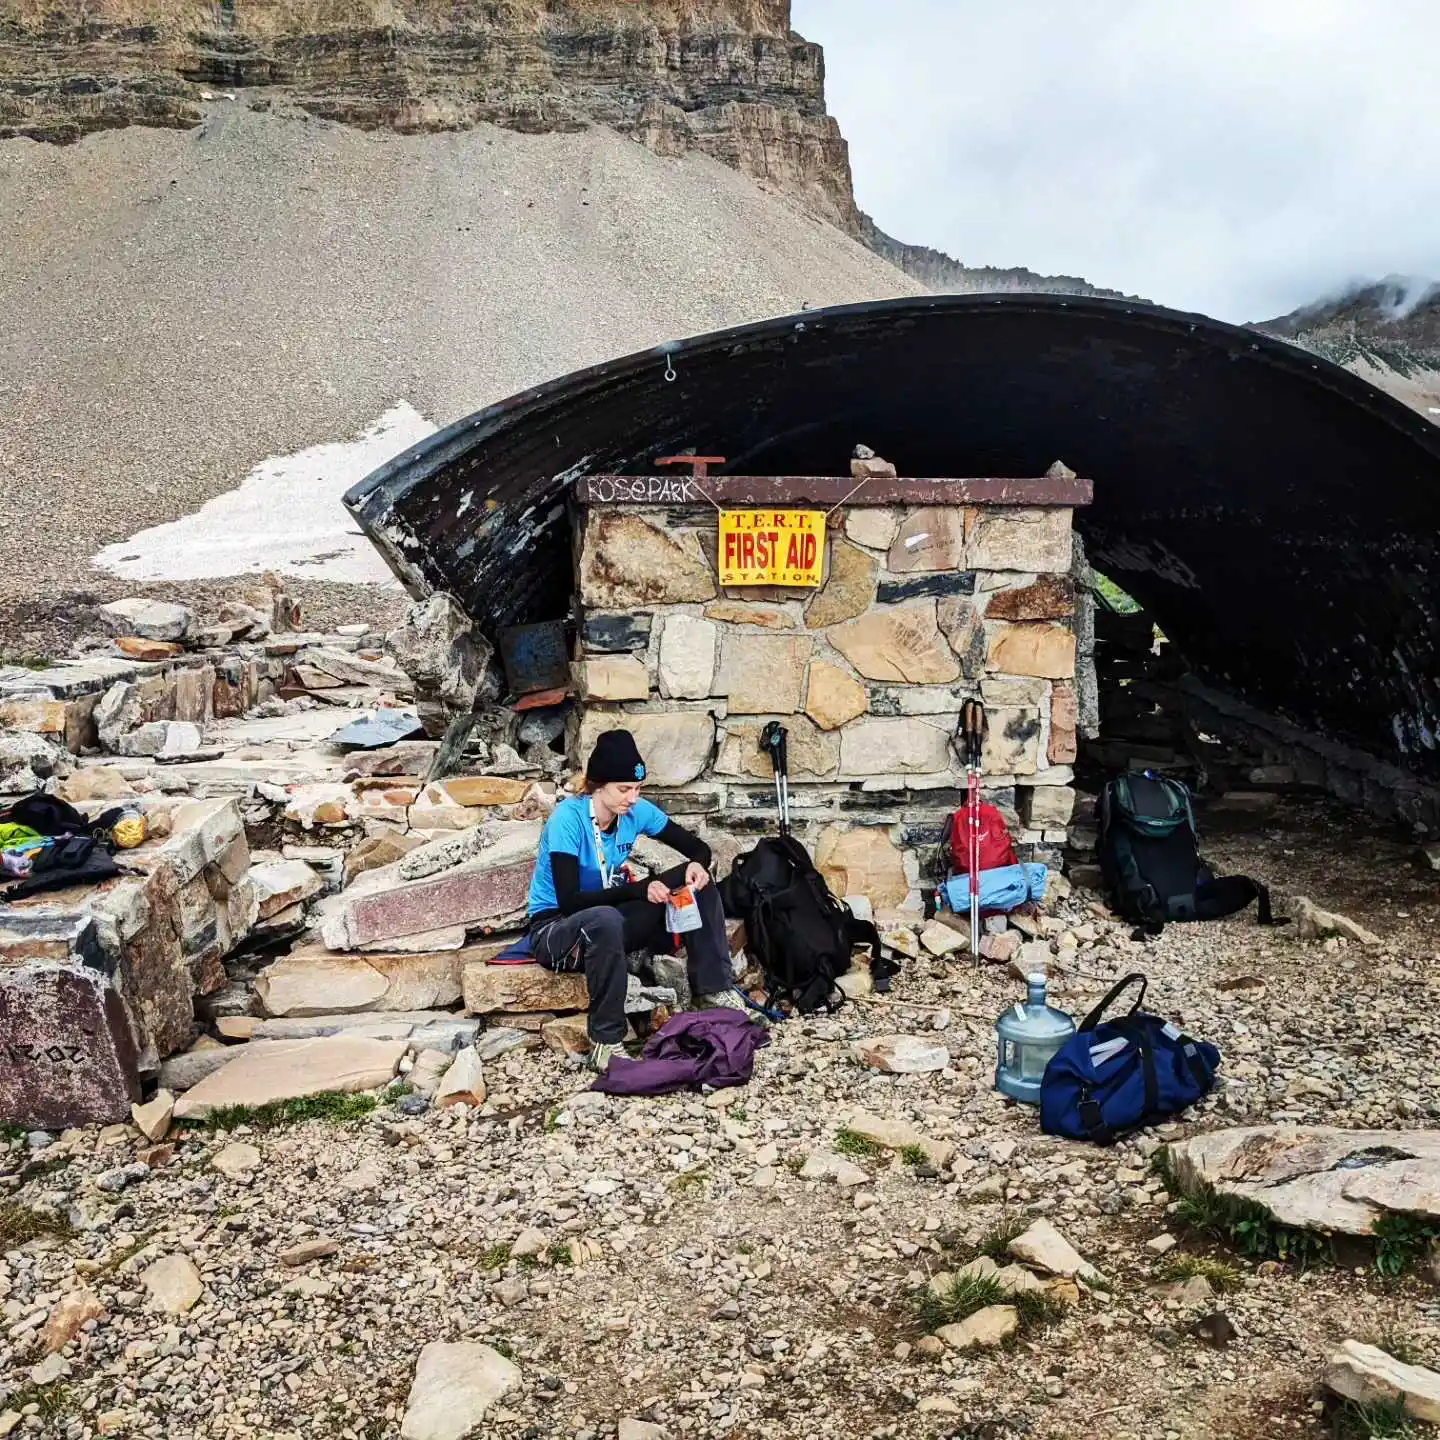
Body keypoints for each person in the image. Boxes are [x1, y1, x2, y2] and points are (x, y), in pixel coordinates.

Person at [526, 728, 746, 1072]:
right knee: (605, 919)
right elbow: (569, 902)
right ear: (598, 785)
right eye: (624, 789)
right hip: (557, 930)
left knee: (696, 883)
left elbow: (697, 849)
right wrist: (638, 889)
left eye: (638, 788)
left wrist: (696, 866)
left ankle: (713, 990)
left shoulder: (635, 811)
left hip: (608, 919)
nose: (632, 797)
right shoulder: (568, 820)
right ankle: (606, 1043)